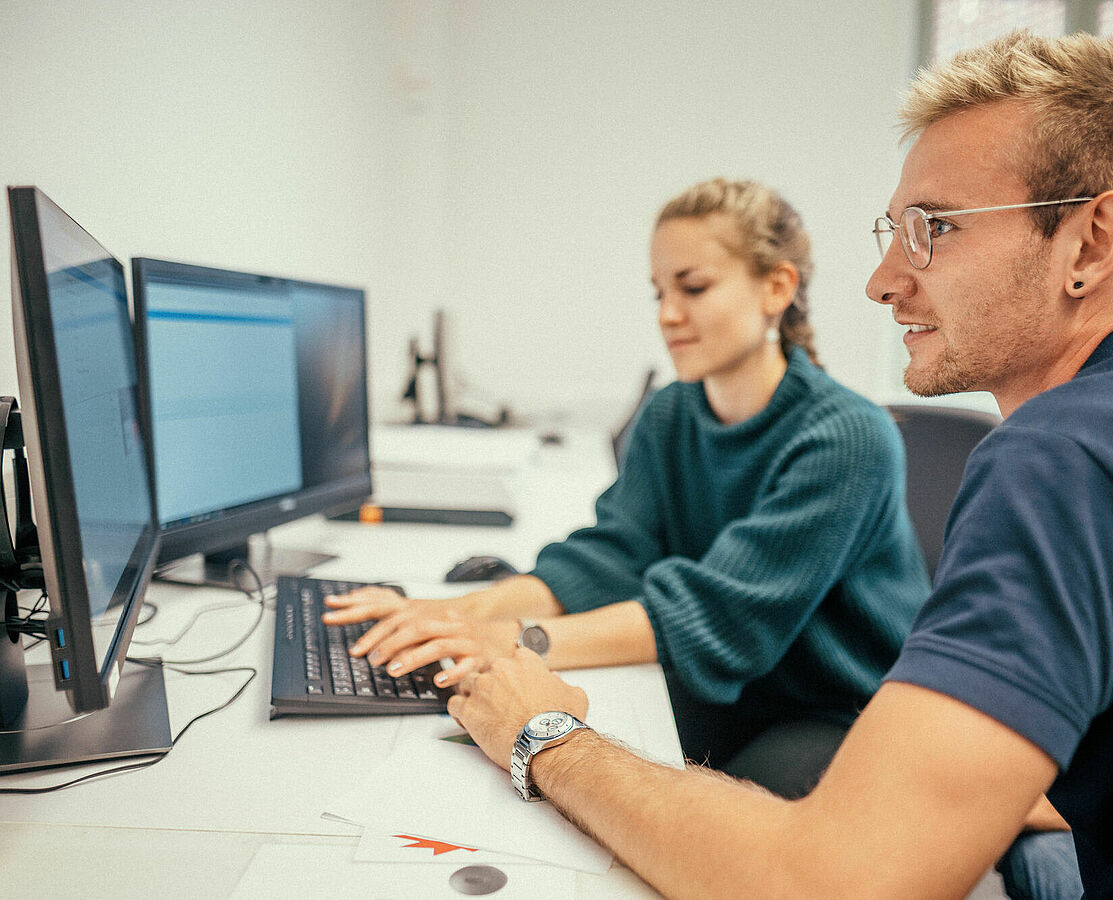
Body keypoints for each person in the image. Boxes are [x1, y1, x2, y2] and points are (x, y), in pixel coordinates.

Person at [443, 30, 1113, 899]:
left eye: (935, 229)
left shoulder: (1065, 457)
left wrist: (541, 734)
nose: (882, 281)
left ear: (1092, 241)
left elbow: (832, 881)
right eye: (895, 231)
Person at [326, 177, 930, 796]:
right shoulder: (670, 413)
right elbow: (615, 551)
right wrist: (451, 612)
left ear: (777, 288)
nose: (668, 315)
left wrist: (515, 638)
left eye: (693, 288)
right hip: (725, 686)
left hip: (827, 711)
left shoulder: (848, 437)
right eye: (660, 292)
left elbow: (718, 619)